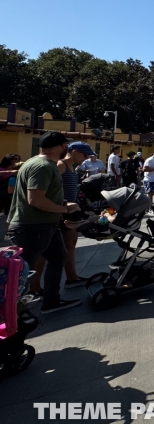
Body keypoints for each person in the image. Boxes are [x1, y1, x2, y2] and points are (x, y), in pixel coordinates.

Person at [6, 131, 81, 313]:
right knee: (21, 269)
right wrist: (65, 210)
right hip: (34, 226)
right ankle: (10, 311)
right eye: (66, 146)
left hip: (46, 224)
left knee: (58, 257)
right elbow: (36, 199)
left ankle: (51, 300)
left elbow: (40, 196)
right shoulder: (44, 166)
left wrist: (64, 204)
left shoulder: (34, 162)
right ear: (61, 147)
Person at [56, 141, 95, 289]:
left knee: (71, 245)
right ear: (75, 152)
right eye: (85, 155)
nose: (86, 158)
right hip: (62, 210)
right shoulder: (61, 165)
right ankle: (36, 287)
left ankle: (72, 277)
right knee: (57, 249)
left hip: (71, 210)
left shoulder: (72, 167)